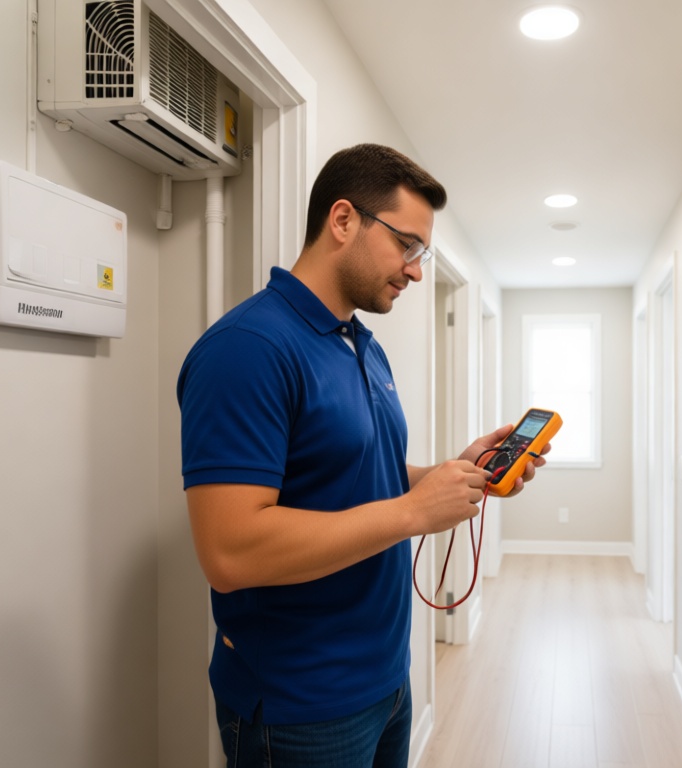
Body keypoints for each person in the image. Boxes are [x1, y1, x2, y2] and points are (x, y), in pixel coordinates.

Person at [177, 143, 547, 767]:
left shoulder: (362, 345)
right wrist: (413, 514)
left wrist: (448, 475)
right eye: (407, 246)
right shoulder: (247, 350)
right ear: (343, 220)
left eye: (421, 254)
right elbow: (230, 551)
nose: (416, 271)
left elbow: (351, 468)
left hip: (386, 681)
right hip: (302, 706)